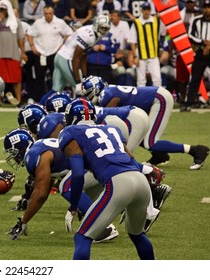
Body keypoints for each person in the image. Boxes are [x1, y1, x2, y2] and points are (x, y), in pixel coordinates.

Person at [57, 99, 155, 260]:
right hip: (140, 181)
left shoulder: (71, 132)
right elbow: (132, 160)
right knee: (137, 235)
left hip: (118, 184)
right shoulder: (112, 129)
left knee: (82, 237)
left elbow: (77, 174)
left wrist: (74, 206)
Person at [81, 75, 210, 169]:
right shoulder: (109, 90)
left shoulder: (106, 95)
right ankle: (160, 156)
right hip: (154, 100)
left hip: (159, 99)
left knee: (149, 142)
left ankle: (196, 150)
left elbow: (112, 113)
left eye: (88, 94)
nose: (88, 98)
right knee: (140, 133)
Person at [52, 15, 110, 97]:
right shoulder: (90, 36)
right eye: (102, 28)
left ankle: (41, 106)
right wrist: (78, 82)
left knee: (55, 90)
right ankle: (80, 109)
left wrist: (84, 75)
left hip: (59, 56)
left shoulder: (90, 30)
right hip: (66, 59)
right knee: (82, 89)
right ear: (96, 25)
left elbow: (83, 55)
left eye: (105, 29)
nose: (103, 31)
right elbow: (76, 59)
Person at [26, 4, 73, 102]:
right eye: (46, 13)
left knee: (55, 77)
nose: (48, 15)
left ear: (53, 13)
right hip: (41, 54)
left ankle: (54, 99)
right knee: (39, 78)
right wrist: (32, 46)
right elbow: (29, 33)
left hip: (54, 54)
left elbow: (69, 33)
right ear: (43, 13)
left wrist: (62, 46)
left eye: (50, 13)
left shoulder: (60, 23)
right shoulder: (38, 23)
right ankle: (37, 99)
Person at [0, 0, 27, 105]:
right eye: (1, 9)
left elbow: (21, 39)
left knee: (16, 79)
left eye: (5, 9)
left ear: (9, 9)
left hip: (13, 53)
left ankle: (18, 100)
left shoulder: (16, 21)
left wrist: (23, 53)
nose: (3, 11)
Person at [128, 2, 166, 87]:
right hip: (141, 55)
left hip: (153, 55)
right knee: (141, 80)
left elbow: (164, 33)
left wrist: (162, 18)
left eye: (148, 9)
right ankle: (142, 99)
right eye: (144, 9)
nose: (146, 11)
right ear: (141, 10)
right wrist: (135, 57)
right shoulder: (136, 23)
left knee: (157, 79)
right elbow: (132, 42)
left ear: (150, 10)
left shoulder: (157, 21)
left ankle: (158, 99)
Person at [183, 0, 210, 111]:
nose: (207, 10)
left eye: (208, 7)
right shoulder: (196, 20)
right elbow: (190, 36)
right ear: (201, 8)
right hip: (200, 52)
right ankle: (189, 103)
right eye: (205, 7)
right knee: (195, 79)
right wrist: (203, 42)